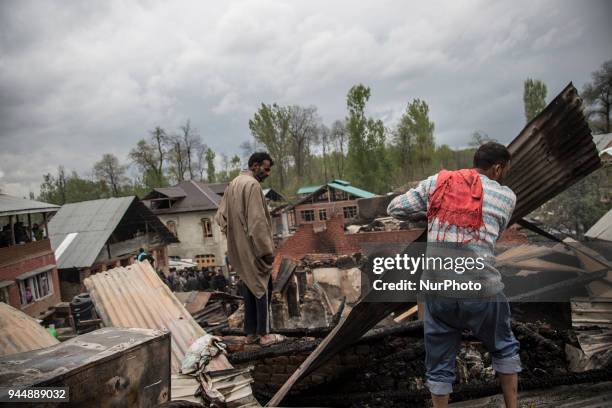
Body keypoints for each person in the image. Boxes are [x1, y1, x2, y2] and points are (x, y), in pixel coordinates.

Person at [387, 142, 520, 408]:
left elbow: (394, 208)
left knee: (438, 362)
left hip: (439, 291)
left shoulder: (439, 182)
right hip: (482, 288)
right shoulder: (507, 197)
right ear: (497, 167)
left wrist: (433, 211)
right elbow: (495, 228)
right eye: (505, 169)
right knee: (504, 346)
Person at [215, 151, 285, 347]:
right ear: (254, 165)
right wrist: (267, 251)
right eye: (265, 168)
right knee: (263, 286)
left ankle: (250, 333)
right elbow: (257, 223)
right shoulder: (252, 185)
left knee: (249, 285)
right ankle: (264, 335)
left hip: (238, 247)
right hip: (253, 247)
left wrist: (234, 236)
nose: (267, 173)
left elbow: (220, 217)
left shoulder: (233, 184)